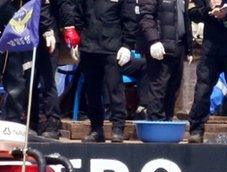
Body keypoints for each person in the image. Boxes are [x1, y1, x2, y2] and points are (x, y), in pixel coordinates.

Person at [0, 0, 73, 138]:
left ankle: (53, 122)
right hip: (26, 37)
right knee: (29, 80)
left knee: (48, 81)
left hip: (46, 35)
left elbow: (46, 7)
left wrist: (66, 27)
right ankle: (31, 122)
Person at [73, 0, 136, 142]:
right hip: (89, 46)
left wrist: (127, 45)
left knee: (115, 90)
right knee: (92, 91)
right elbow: (79, 15)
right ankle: (96, 129)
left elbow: (130, 20)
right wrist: (76, 41)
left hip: (113, 47)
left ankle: (118, 127)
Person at [187, 0, 227, 143]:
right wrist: (209, 9)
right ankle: (196, 129)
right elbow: (192, 14)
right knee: (202, 89)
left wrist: (226, 16)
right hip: (210, 49)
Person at [139, 0, 192, 121]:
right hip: (160, 46)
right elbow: (146, 17)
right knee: (159, 87)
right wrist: (153, 40)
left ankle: (167, 120)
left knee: (173, 87)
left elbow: (184, 20)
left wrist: (189, 48)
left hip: (179, 46)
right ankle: (155, 122)